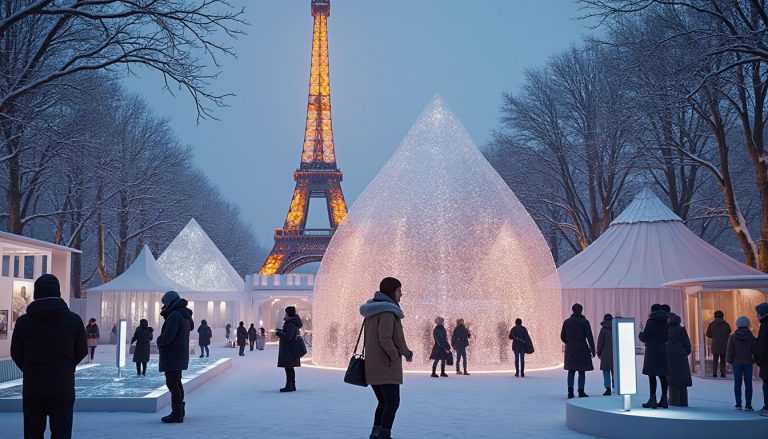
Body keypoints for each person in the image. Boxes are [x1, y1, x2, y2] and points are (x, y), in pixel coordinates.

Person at [11, 274, 88, 439]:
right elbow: (82, 350)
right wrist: (67, 367)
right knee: (61, 432)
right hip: (62, 385)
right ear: (58, 292)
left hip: (33, 385)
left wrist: (29, 368)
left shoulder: (24, 322)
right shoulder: (73, 320)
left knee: (33, 432)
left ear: (36, 293)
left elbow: (15, 352)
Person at [360, 277, 413, 439]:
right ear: (391, 291)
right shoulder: (387, 311)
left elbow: (389, 337)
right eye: (398, 291)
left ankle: (376, 434)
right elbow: (386, 338)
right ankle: (384, 435)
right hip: (385, 364)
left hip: (373, 364)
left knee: (383, 402)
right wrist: (395, 357)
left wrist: (405, 351)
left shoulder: (373, 310)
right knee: (392, 402)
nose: (401, 294)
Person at [156, 290, 194, 423]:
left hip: (172, 354)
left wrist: (159, 340)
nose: (164, 307)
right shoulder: (184, 315)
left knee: (172, 383)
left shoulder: (174, 316)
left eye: (165, 304)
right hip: (179, 354)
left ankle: (177, 413)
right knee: (176, 382)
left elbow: (168, 337)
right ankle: (179, 411)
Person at [560, 303, 596, 399]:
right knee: (581, 371)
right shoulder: (584, 322)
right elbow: (590, 337)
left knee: (571, 371)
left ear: (572, 310)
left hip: (570, 349)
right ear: (581, 310)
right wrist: (593, 350)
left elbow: (562, 336)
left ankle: (570, 392)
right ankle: (581, 391)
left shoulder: (567, 322)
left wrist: (569, 342)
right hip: (582, 349)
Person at [639, 304, 669, 409]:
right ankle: (664, 399)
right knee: (663, 375)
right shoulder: (666, 322)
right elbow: (667, 337)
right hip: (663, 351)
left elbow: (644, 337)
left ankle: (652, 400)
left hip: (652, 351)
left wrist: (640, 333)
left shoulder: (651, 322)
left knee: (652, 376)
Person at [726, 316, 756, 411]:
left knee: (737, 383)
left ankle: (738, 404)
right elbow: (754, 349)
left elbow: (730, 350)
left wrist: (729, 360)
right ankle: (748, 405)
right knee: (748, 384)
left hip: (737, 362)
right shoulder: (751, 337)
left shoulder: (733, 336)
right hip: (748, 362)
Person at [666, 312, 692, 407]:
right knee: (682, 383)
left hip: (670, 359)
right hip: (682, 360)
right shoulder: (681, 330)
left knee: (673, 383)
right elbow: (688, 347)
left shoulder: (666, 331)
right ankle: (684, 402)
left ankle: (674, 402)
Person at [276, 306, 303, 392]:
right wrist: (281, 331)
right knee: (290, 368)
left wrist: (279, 333)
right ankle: (292, 385)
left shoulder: (291, 323)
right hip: (290, 349)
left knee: (288, 368)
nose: (285, 314)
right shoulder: (292, 322)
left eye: (286, 312)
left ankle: (289, 386)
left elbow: (288, 337)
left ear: (288, 313)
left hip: (289, 350)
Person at [706, 310, 732, 378]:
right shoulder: (726, 324)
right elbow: (729, 332)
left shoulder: (712, 324)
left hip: (715, 345)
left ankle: (714, 373)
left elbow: (708, 334)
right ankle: (723, 372)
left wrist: (714, 336)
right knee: (723, 359)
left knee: (715, 359)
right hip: (724, 344)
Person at [753, 302, 768, 416]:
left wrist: (758, 358)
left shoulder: (765, 326)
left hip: (766, 361)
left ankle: (767, 407)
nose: (756, 316)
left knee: (766, 384)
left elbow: (762, 345)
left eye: (757, 314)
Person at [596, 314, 614, 395]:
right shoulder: (616, 328)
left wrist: (598, 352)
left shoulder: (603, 329)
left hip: (605, 354)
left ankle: (608, 389)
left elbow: (600, 342)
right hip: (616, 354)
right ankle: (616, 387)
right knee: (615, 372)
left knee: (606, 372)